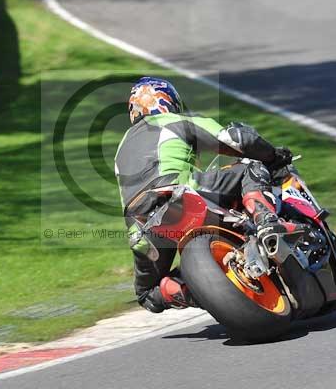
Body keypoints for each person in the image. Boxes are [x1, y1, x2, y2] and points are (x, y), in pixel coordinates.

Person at [114, 77, 295, 313]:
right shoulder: (173, 121)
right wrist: (273, 155)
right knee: (251, 167)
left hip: (140, 225)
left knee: (148, 295)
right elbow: (236, 139)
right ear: (167, 101)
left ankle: (202, 289)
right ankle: (266, 222)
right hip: (178, 190)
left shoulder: (121, 148)